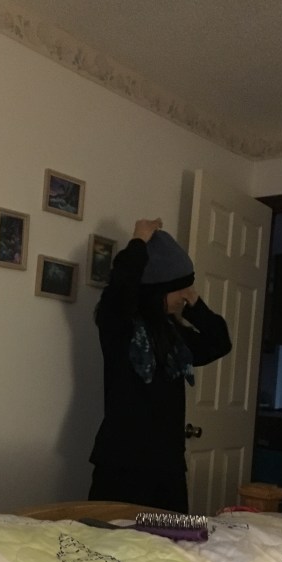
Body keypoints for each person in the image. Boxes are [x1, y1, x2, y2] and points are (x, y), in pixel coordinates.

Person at [88, 218, 232, 513]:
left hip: (168, 466)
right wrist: (139, 239)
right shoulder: (119, 327)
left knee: (174, 538)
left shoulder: (173, 334)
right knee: (110, 537)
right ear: (156, 290)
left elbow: (219, 343)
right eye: (179, 288)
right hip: (122, 464)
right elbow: (122, 285)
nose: (185, 294)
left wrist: (195, 301)